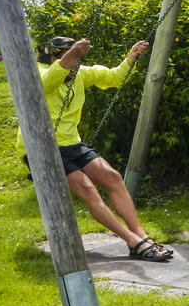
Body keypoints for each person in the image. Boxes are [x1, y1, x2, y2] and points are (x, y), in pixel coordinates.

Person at [19, 36, 173, 261]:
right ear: (53, 58)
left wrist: (131, 57)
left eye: (78, 60)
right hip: (40, 146)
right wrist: (72, 55)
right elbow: (48, 83)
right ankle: (132, 240)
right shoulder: (39, 73)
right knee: (87, 188)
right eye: (70, 59)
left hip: (71, 142)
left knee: (113, 177)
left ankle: (140, 234)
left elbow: (113, 77)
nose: (76, 65)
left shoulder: (79, 72)